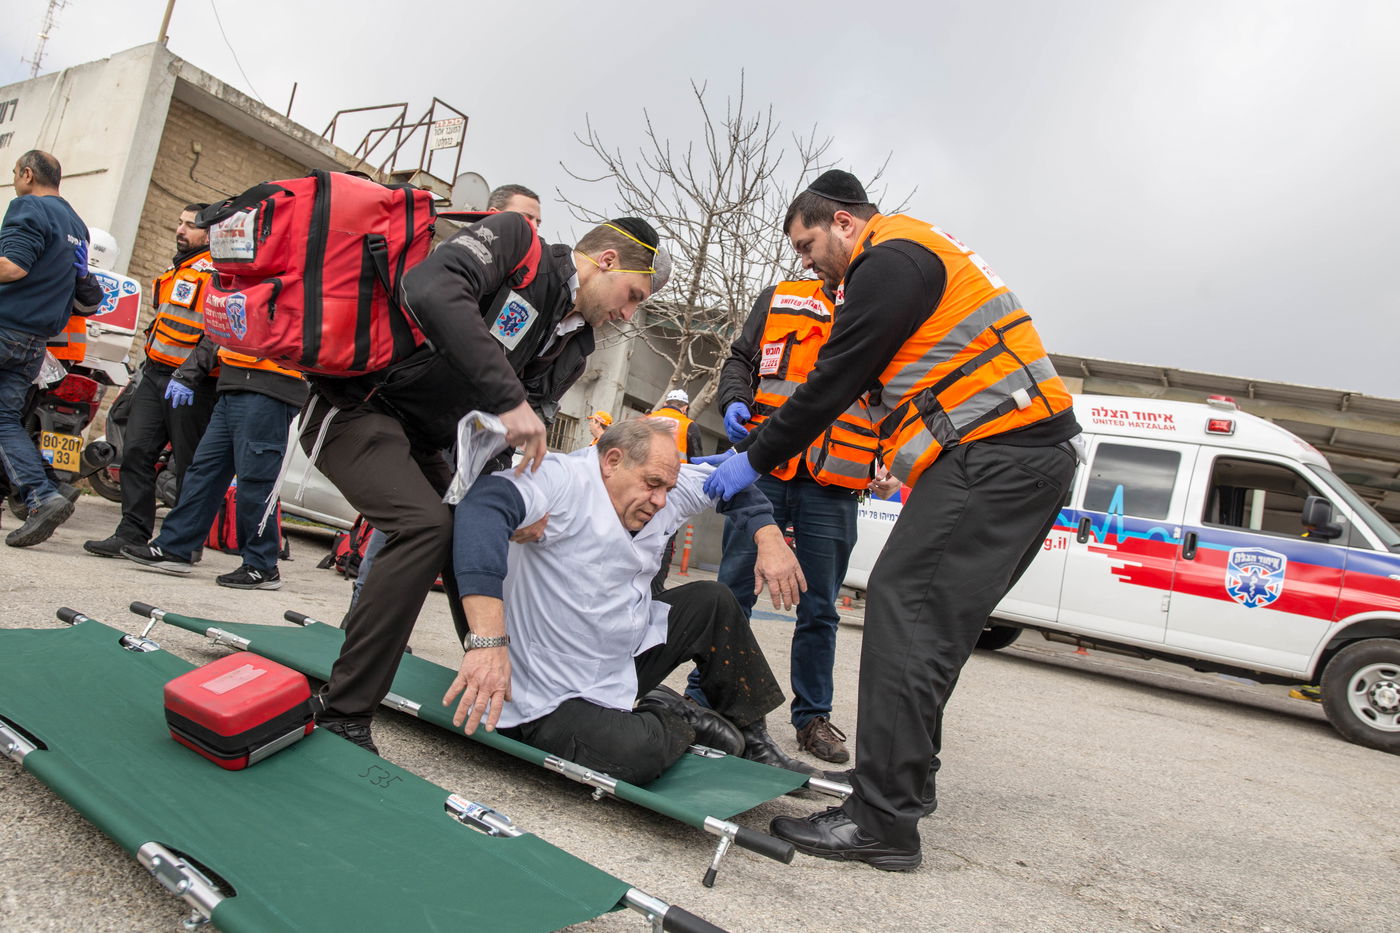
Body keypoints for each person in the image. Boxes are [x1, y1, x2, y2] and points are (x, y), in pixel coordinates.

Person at [703, 170, 1082, 871]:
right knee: (927, 630)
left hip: (995, 456)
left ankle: (883, 823)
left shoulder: (890, 259)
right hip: (1017, 457)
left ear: (844, 222)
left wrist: (754, 458)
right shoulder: (909, 256)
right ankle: (894, 785)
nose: (804, 259)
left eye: (807, 241)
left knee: (904, 618)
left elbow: (835, 378)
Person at [305, 212, 671, 753]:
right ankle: (344, 712)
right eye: (634, 295)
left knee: (469, 534)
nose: (628, 312)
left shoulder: (577, 346)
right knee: (424, 528)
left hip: (430, 443)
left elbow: (515, 435)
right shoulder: (517, 244)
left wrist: (521, 501)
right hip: (360, 406)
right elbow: (429, 289)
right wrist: (509, 397)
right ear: (607, 261)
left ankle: (497, 678)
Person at [442, 417, 818, 784]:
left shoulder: (663, 489)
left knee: (712, 600)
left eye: (667, 488)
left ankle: (753, 739)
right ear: (612, 461)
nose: (660, 500)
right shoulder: (563, 478)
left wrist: (768, 537)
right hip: (549, 689)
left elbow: (728, 482)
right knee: (640, 753)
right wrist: (487, 643)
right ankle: (671, 714)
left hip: (617, 661)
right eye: (652, 484)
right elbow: (483, 506)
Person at [695, 278, 879, 765]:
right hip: (764, 465)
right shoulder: (780, 296)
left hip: (834, 478)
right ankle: (705, 696)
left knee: (819, 607)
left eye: (808, 243)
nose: (805, 257)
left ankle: (812, 718)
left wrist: (887, 451)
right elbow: (741, 359)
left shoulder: (878, 302)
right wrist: (733, 397)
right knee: (734, 592)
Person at [119, 329, 308, 588]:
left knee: (255, 480)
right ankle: (175, 547)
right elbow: (219, 332)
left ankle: (261, 565)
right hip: (232, 385)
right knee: (203, 472)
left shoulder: (292, 289)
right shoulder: (246, 289)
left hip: (271, 388)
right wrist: (188, 374)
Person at [84, 205, 219, 558]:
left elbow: (216, 332)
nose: (181, 229)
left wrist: (191, 375)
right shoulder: (177, 268)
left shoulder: (216, 272)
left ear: (209, 233)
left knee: (189, 466)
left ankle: (183, 545)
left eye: (190, 225)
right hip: (156, 375)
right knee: (136, 453)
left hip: (192, 384)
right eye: (179, 222)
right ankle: (131, 533)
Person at [0, 150, 93, 548]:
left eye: (15, 176)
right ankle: (44, 495)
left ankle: (42, 494)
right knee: (4, 421)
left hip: (5, 327)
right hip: (34, 343)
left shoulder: (28, 206)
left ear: (26, 174)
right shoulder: (77, 225)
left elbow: (12, 267)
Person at [648, 388, 702, 461]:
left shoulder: (648, 418)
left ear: (665, 404)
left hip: (645, 468)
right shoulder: (689, 425)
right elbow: (696, 458)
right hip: (675, 471)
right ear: (685, 408)